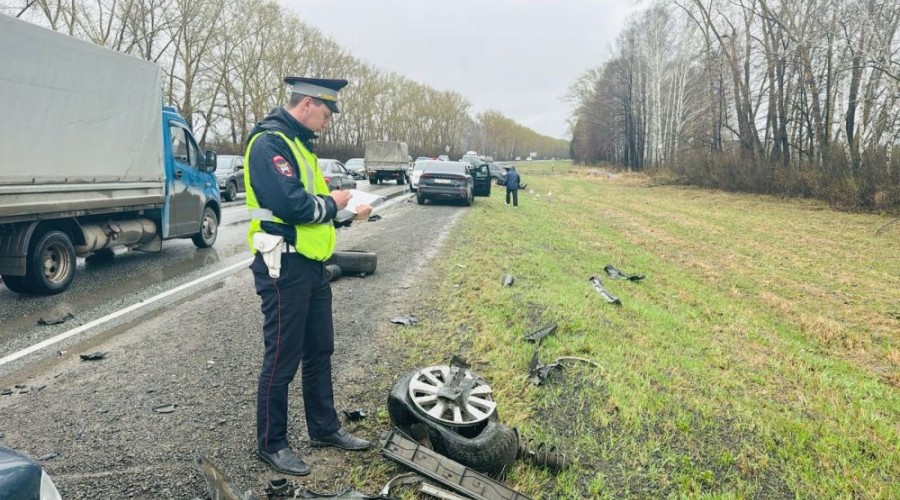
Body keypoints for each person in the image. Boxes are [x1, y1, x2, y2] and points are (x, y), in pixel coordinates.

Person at [243, 76, 373, 476]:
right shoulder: (269, 143)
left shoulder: (299, 144)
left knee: (320, 350)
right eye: (327, 113)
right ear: (307, 104)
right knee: (282, 357)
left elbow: (313, 215)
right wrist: (332, 204)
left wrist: (347, 214)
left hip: (312, 265)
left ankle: (324, 428)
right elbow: (292, 205)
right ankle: (272, 443)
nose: (328, 121)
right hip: (284, 266)